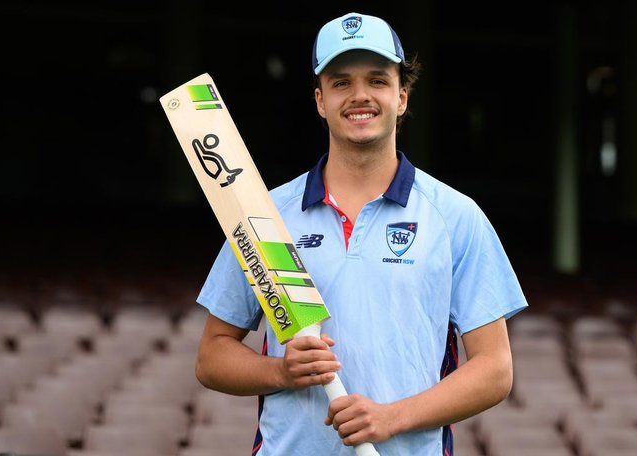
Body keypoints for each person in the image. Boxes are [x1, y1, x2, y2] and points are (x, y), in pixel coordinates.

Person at [194, 11, 528, 456]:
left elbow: (495, 370)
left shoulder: (454, 216)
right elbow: (212, 356)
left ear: (402, 97)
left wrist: (392, 418)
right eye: (341, 82)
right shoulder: (266, 216)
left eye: (377, 80)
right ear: (319, 100)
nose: (360, 96)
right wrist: (280, 372)